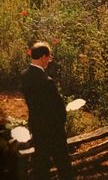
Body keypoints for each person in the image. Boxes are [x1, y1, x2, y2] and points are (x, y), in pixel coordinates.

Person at [21, 42, 73, 180]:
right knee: (63, 163)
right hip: (53, 128)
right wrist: (63, 119)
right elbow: (57, 107)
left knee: (41, 163)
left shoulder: (24, 75)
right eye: (49, 57)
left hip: (36, 125)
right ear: (43, 56)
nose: (49, 61)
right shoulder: (46, 81)